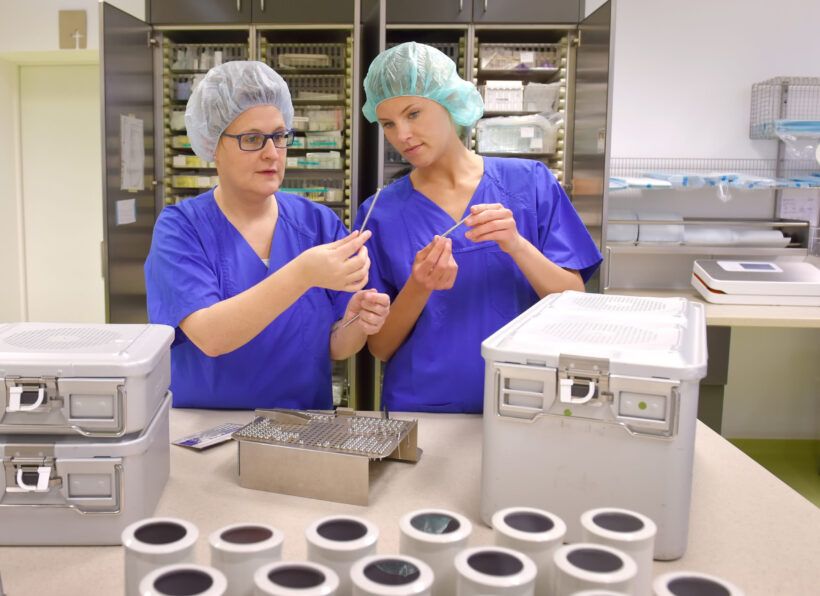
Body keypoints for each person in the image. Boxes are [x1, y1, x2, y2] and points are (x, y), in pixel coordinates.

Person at [355, 42, 602, 413]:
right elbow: (380, 347)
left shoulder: (529, 184)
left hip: (525, 403)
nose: (401, 134)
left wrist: (517, 245)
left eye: (414, 113)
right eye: (388, 123)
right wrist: (418, 287)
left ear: (450, 102)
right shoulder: (380, 213)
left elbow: (574, 300)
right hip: (423, 411)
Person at [144, 61, 390, 409]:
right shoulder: (182, 229)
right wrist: (303, 273)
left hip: (304, 428)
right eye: (252, 139)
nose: (272, 153)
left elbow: (336, 345)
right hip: (206, 432)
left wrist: (359, 320)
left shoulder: (317, 223)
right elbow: (211, 337)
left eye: (278, 136)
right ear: (212, 144)